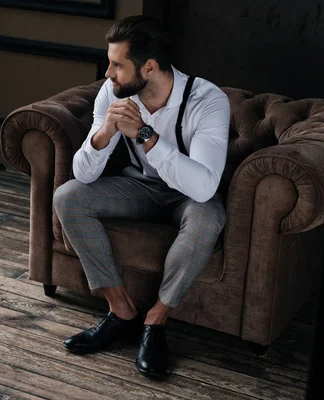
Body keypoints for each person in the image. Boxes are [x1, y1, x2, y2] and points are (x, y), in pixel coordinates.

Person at [52, 15, 230, 378]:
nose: (107, 74)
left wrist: (147, 134)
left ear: (148, 67)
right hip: (140, 188)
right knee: (68, 197)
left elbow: (204, 187)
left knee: (209, 216)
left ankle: (156, 320)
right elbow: (83, 174)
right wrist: (103, 133)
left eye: (118, 65)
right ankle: (121, 312)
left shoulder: (207, 100)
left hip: (188, 197)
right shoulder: (112, 93)